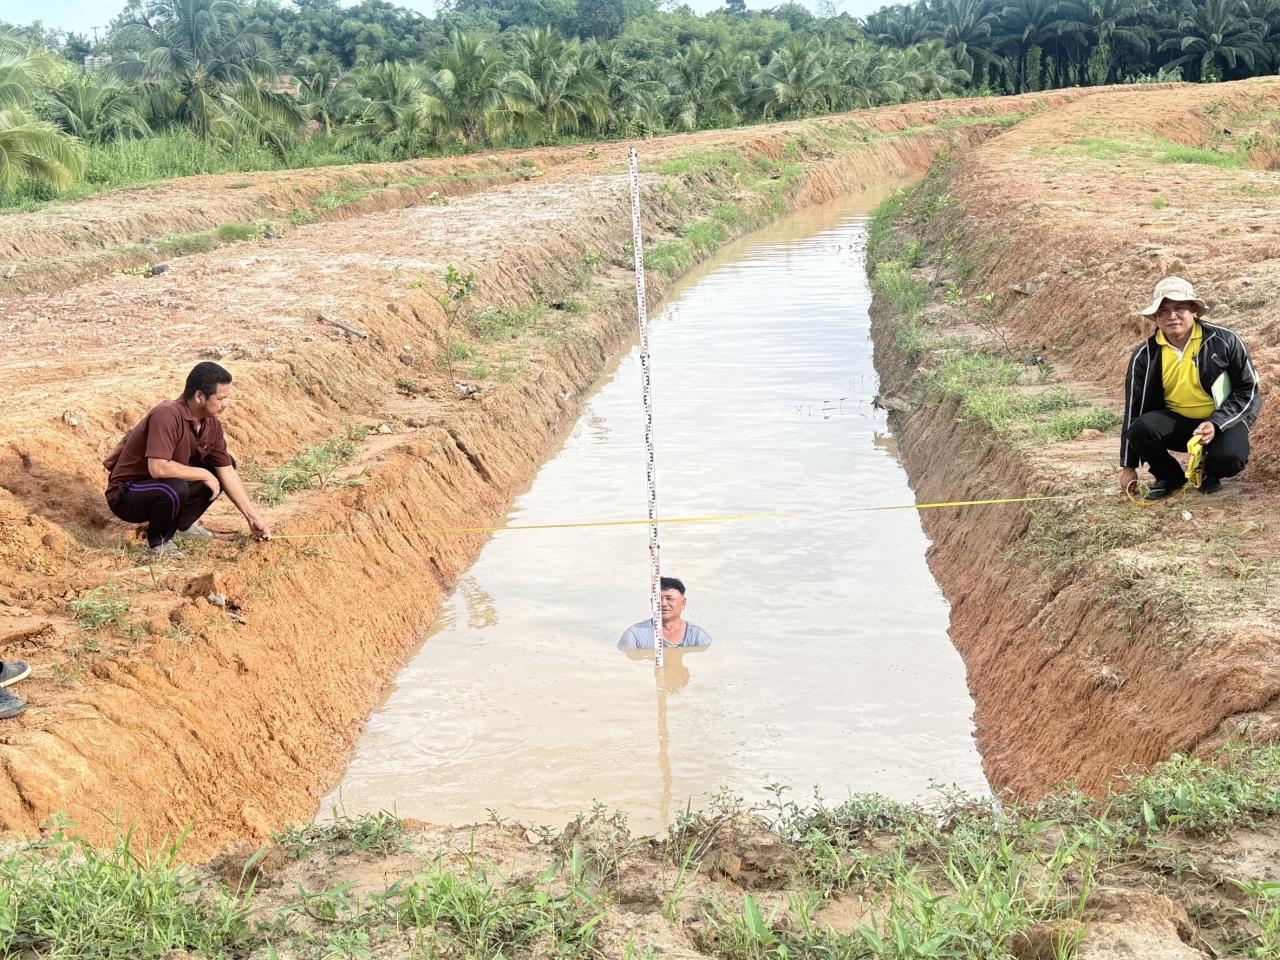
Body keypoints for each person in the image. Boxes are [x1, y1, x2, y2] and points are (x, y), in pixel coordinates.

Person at [105, 362, 272, 557]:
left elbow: (226, 471)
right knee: (176, 487)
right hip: (128, 493)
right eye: (220, 398)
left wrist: (252, 518)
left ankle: (182, 525)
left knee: (220, 467)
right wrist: (202, 474)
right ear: (200, 396)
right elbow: (158, 468)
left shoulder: (212, 425)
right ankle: (159, 543)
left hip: (161, 485)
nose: (225, 404)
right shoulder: (167, 415)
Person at [1120, 277, 1262, 501]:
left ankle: (1208, 472)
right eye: (1163, 310)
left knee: (1230, 457)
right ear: (1156, 318)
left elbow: (1248, 390)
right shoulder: (1145, 354)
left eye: (1180, 308)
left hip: (1222, 422)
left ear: (1194, 310)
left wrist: (1216, 423)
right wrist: (1128, 466)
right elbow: (1133, 409)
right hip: (1178, 424)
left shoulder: (1225, 340)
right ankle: (1169, 477)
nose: (1172, 315)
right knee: (1141, 429)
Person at [617, 577, 712, 651]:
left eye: (670, 599)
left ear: (683, 603)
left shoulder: (698, 637)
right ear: (652, 602)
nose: (663, 604)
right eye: (657, 599)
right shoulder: (634, 635)